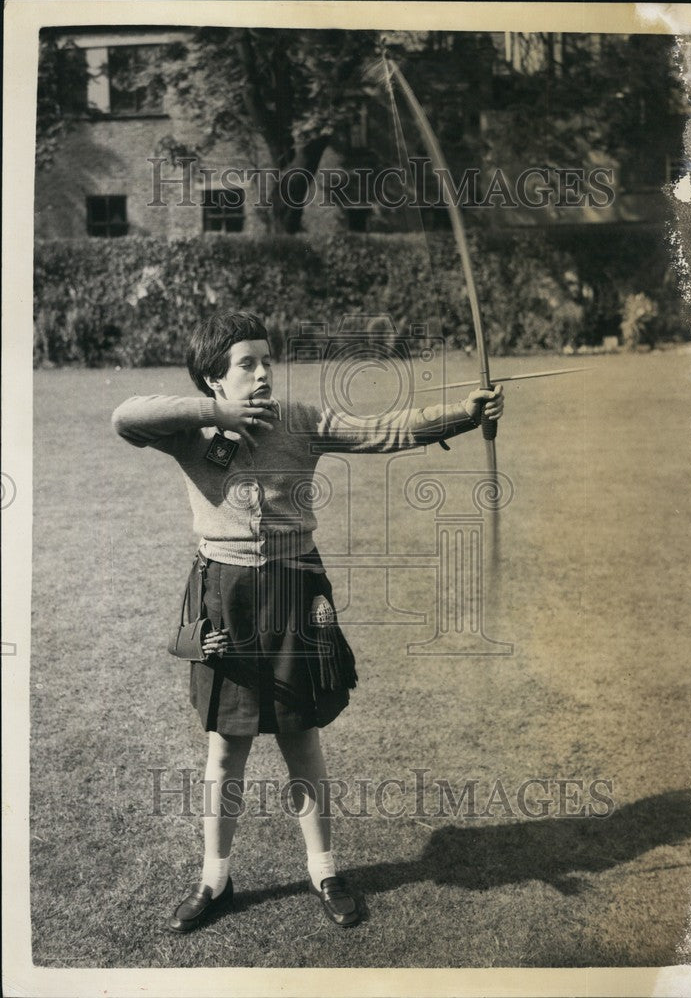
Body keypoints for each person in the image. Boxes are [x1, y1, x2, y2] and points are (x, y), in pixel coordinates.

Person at [111, 311, 504, 932]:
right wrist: (215, 418)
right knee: (226, 747)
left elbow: (385, 429)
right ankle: (215, 877)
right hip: (227, 598)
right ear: (214, 378)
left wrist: (464, 413)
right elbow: (125, 417)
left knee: (301, 737)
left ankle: (324, 869)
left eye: (267, 360)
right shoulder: (189, 431)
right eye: (247, 363)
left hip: (297, 591)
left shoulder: (299, 420)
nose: (264, 373)